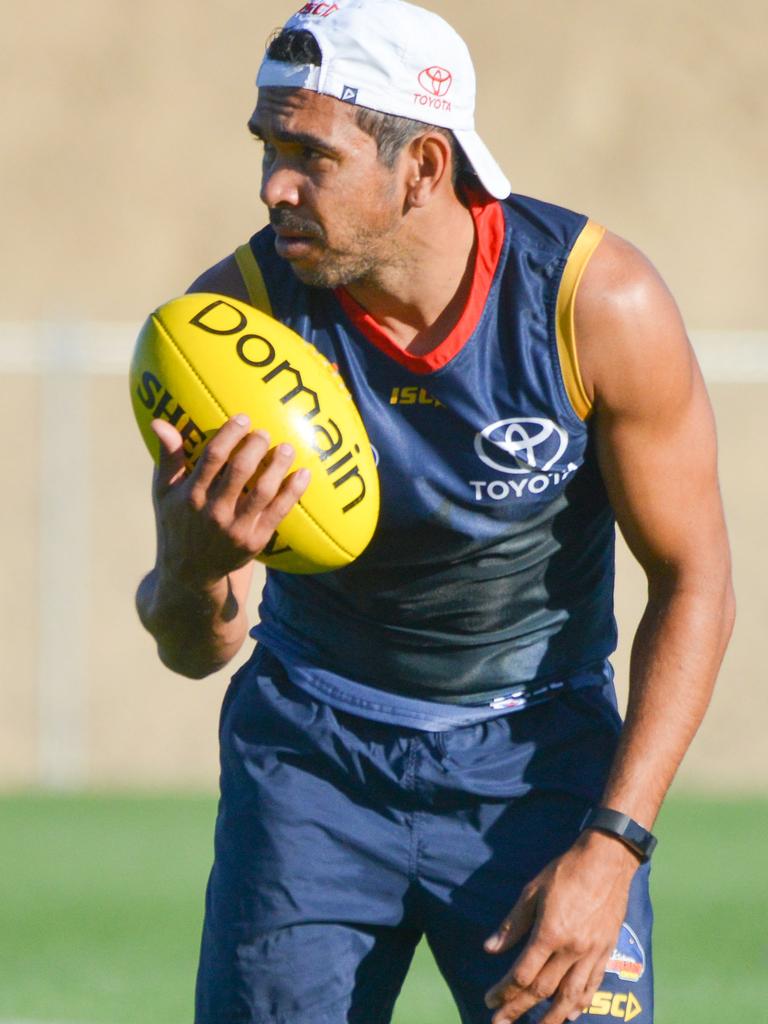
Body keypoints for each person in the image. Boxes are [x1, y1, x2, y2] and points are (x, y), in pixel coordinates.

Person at [135, 1, 735, 1022]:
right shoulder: (232, 326)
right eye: (266, 146)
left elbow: (697, 579)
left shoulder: (594, 304)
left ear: (421, 164)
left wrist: (614, 844)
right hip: (311, 766)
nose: (273, 184)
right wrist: (192, 567)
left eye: (308, 155)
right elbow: (199, 648)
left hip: (538, 766)